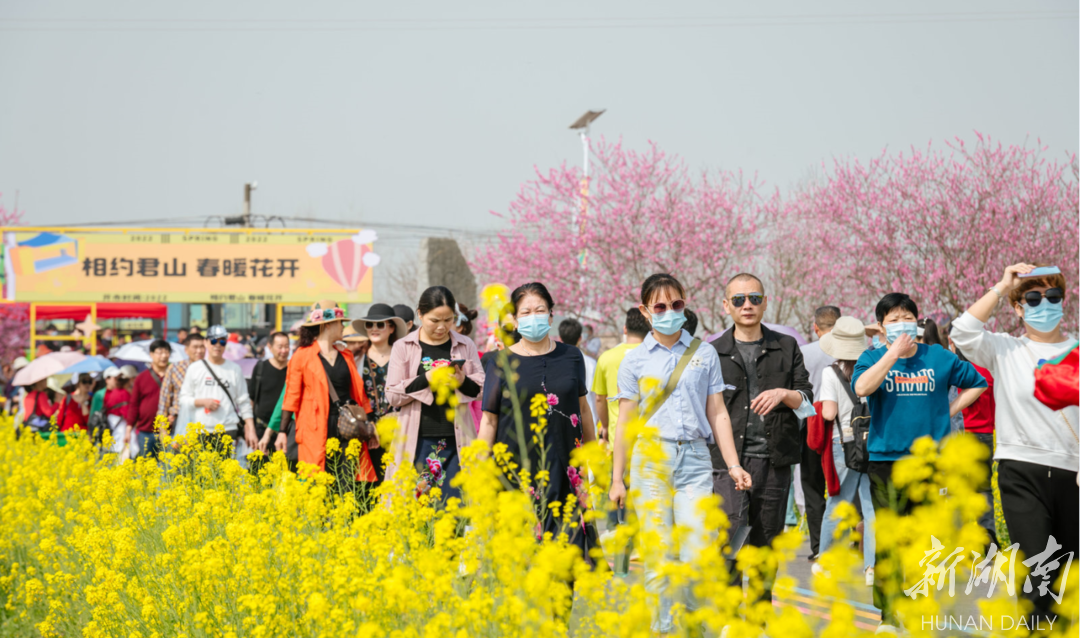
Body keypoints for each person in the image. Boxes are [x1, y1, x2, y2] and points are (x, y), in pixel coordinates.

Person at [605, 274, 749, 634]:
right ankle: (665, 630)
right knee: (660, 559)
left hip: (696, 461)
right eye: (660, 306)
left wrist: (733, 464)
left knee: (697, 555)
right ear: (645, 311)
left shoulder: (704, 352)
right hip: (649, 462)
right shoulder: (633, 360)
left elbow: (717, 412)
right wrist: (616, 479)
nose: (670, 312)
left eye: (677, 304)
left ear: (685, 304)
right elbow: (625, 423)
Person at [950, 263, 1078, 629]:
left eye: (1054, 297)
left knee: (1068, 577)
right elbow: (963, 331)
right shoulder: (1005, 350)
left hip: (1074, 474)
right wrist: (1002, 285)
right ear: (1018, 308)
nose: (1045, 305)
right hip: (1021, 470)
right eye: (1034, 299)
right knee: (1038, 567)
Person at [852, 292, 987, 632]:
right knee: (890, 539)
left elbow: (978, 383)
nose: (901, 324)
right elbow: (862, 389)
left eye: (906, 317)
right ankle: (887, 614)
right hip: (887, 460)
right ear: (881, 327)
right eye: (893, 320)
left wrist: (947, 411)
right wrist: (891, 353)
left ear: (918, 319)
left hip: (930, 461)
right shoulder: (871, 357)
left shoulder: (938, 356)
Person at [711, 273, 815, 606]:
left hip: (774, 460)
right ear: (726, 305)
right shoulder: (713, 352)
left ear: (765, 302)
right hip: (728, 462)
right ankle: (729, 617)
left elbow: (807, 399)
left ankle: (758, 617)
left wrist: (785, 394)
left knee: (766, 543)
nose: (747, 306)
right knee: (729, 540)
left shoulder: (785, 346)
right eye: (739, 299)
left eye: (754, 298)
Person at [480, 282, 597, 563]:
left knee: (567, 558)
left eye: (540, 310)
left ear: (551, 316)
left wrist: (595, 459)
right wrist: (479, 471)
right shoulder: (499, 361)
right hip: (514, 474)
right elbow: (489, 420)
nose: (534, 317)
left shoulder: (571, 356)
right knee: (521, 560)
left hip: (566, 472)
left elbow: (583, 408)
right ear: (516, 320)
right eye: (526, 312)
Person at [385, 288, 484, 502]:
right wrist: (426, 378)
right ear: (420, 314)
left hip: (458, 442)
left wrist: (462, 381)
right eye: (434, 320)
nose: (442, 327)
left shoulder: (465, 344)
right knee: (416, 509)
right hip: (418, 441)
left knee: (455, 510)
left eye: (448, 320)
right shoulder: (403, 346)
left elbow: (481, 388)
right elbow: (392, 394)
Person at [279, 301, 376, 484]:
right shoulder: (302, 355)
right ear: (328, 325)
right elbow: (291, 396)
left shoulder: (345, 354)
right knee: (317, 482)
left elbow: (358, 393)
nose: (344, 327)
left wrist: (369, 424)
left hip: (347, 426)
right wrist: (282, 431)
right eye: (341, 323)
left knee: (346, 482)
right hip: (315, 427)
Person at [814, 316, 876, 585]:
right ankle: (872, 566)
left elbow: (828, 413)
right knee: (872, 508)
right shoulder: (874, 366)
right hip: (873, 444)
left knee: (838, 505)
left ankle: (825, 560)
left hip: (845, 445)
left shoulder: (830, 373)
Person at [592, 308, 650, 528]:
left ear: (625, 329)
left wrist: (605, 427)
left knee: (616, 490)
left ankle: (616, 541)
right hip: (649, 440)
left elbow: (599, 398)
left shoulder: (607, 357)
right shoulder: (655, 355)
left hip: (618, 435)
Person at [799, 306, 840, 562]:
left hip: (809, 427)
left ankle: (818, 547)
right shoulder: (855, 352)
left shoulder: (803, 353)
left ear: (816, 328)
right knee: (844, 487)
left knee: (813, 487)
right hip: (842, 427)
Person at [178, 325, 257, 459]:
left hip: (228, 429)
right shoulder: (195, 368)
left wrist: (251, 429)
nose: (217, 345)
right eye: (213, 341)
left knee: (225, 475)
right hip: (200, 430)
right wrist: (202, 402)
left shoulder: (234, 369)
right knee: (202, 476)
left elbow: (244, 402)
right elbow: (183, 399)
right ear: (206, 342)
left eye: (222, 341)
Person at [353, 303, 407, 480]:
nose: (374, 329)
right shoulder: (356, 358)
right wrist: (368, 426)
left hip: (399, 431)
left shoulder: (404, 358)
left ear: (391, 328)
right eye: (370, 325)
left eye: (380, 324)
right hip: (367, 433)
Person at [248, 332, 290, 471]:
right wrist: (250, 430)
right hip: (261, 430)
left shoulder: (293, 370)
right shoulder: (261, 368)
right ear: (269, 347)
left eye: (286, 346)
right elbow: (251, 399)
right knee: (259, 474)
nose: (283, 351)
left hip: (286, 431)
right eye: (280, 347)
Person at [127, 340, 171, 459]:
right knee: (147, 470)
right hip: (146, 431)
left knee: (167, 470)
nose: (163, 356)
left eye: (167, 352)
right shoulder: (141, 378)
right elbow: (134, 404)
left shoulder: (174, 375)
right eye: (160, 352)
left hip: (169, 431)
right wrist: (129, 428)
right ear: (151, 355)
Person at [158, 333, 206, 435]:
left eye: (202, 347)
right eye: (195, 347)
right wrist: (162, 428)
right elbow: (164, 399)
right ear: (186, 350)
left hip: (205, 421)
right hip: (179, 419)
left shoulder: (211, 369)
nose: (199, 351)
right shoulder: (175, 368)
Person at [558, 318, 599, 426]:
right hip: (589, 418)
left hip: (563, 420)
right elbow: (595, 395)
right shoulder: (591, 363)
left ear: (560, 338)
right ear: (580, 338)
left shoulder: (554, 362)